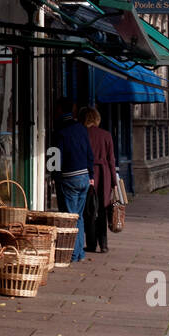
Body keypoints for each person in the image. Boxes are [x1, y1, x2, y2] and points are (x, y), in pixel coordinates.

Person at [51, 97, 92, 263]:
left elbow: (54, 157)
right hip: (84, 176)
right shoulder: (81, 128)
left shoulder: (60, 130)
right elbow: (90, 153)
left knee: (69, 217)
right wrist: (92, 175)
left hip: (70, 177)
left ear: (60, 109)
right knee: (79, 216)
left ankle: (72, 254)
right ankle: (80, 252)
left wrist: (55, 176)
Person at [80, 106, 116, 253]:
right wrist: (114, 182)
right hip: (104, 174)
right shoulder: (106, 135)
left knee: (89, 209)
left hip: (88, 173)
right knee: (102, 208)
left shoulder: (82, 134)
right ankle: (104, 243)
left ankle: (91, 243)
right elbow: (111, 160)